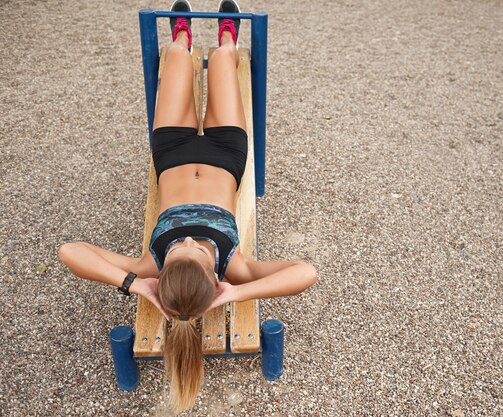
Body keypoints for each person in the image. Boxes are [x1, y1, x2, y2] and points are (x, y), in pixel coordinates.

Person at [58, 0, 317, 412]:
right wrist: (232, 296)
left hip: (172, 148)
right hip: (226, 151)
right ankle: (227, 34)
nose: (191, 239)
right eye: (197, 251)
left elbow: (69, 251)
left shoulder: (151, 265)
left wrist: (133, 283)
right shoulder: (233, 266)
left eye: (182, 246)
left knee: (177, 54)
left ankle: (182, 30)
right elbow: (306, 272)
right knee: (221, 58)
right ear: (214, 278)